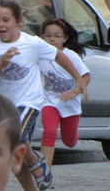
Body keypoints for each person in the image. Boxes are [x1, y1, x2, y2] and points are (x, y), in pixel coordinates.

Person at [0, 0, 85, 191]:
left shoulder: (32, 43)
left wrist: (78, 79)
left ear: (17, 21)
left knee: (17, 139)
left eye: (6, 20)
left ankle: (37, 165)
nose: (1, 25)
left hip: (29, 103)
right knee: (13, 150)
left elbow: (59, 56)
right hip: (6, 107)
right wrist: (2, 62)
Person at [38, 17, 91, 168]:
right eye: (48, 35)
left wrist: (73, 93)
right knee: (49, 131)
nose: (52, 39)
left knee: (69, 141)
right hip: (50, 101)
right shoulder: (40, 54)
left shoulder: (71, 56)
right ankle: (45, 172)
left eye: (57, 36)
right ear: (42, 36)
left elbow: (85, 77)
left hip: (70, 103)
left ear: (65, 38)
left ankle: (74, 137)